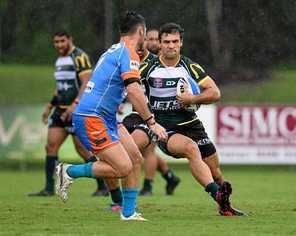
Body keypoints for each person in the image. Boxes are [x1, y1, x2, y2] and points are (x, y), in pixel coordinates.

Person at [55, 11, 167, 221]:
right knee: (122, 167)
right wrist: (152, 123)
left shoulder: (111, 51)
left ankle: (128, 212)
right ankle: (69, 171)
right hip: (92, 117)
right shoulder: (129, 53)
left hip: (106, 117)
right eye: (145, 34)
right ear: (141, 31)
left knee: (135, 158)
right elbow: (134, 91)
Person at [140, 22, 246, 216]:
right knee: (191, 148)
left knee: (216, 172)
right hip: (165, 127)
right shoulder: (147, 68)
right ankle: (217, 196)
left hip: (192, 124)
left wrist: (191, 99)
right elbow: (128, 88)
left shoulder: (190, 67)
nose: (171, 46)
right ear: (160, 44)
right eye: (166, 42)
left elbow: (215, 93)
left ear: (181, 43)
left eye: (175, 41)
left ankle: (225, 206)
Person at [28, 30, 108, 197]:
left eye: (62, 41)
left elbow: (87, 82)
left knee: (83, 150)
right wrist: (49, 107)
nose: (59, 45)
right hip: (60, 110)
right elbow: (61, 87)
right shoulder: (59, 60)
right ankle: (49, 188)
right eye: (56, 42)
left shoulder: (79, 56)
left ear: (70, 40)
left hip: (77, 110)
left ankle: (103, 186)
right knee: (50, 146)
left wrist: (75, 105)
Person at [123, 40, 181, 196]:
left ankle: (146, 187)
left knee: (144, 152)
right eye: (151, 39)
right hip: (137, 114)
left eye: (157, 39)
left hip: (154, 115)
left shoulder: (157, 64)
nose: (153, 43)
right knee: (141, 152)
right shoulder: (131, 62)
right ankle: (169, 176)